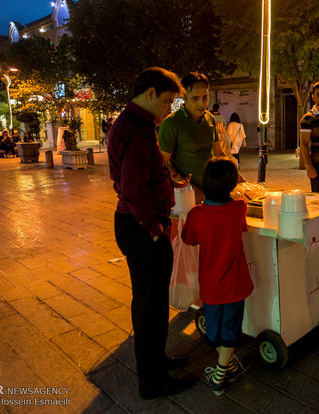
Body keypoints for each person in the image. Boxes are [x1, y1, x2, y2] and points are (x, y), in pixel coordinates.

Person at [108, 67, 193, 400]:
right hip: (141, 229)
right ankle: (152, 382)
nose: (169, 108)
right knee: (149, 307)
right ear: (150, 94)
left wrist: (167, 181)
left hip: (141, 226)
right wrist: (155, 230)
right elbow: (132, 189)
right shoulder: (135, 129)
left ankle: (158, 362)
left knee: (153, 305)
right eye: (168, 101)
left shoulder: (138, 125)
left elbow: (142, 176)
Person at [181, 157, 253, 395]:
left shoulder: (197, 214)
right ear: (232, 185)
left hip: (211, 284)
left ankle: (221, 371)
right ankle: (223, 372)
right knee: (231, 328)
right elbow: (242, 227)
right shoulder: (239, 207)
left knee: (215, 330)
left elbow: (188, 239)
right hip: (235, 283)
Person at [158, 72, 228, 202]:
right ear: (184, 98)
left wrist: (234, 176)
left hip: (211, 193)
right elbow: (163, 163)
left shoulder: (210, 118)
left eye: (205, 98)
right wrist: (189, 188)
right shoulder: (171, 123)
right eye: (195, 99)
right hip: (185, 197)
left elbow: (218, 153)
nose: (202, 104)